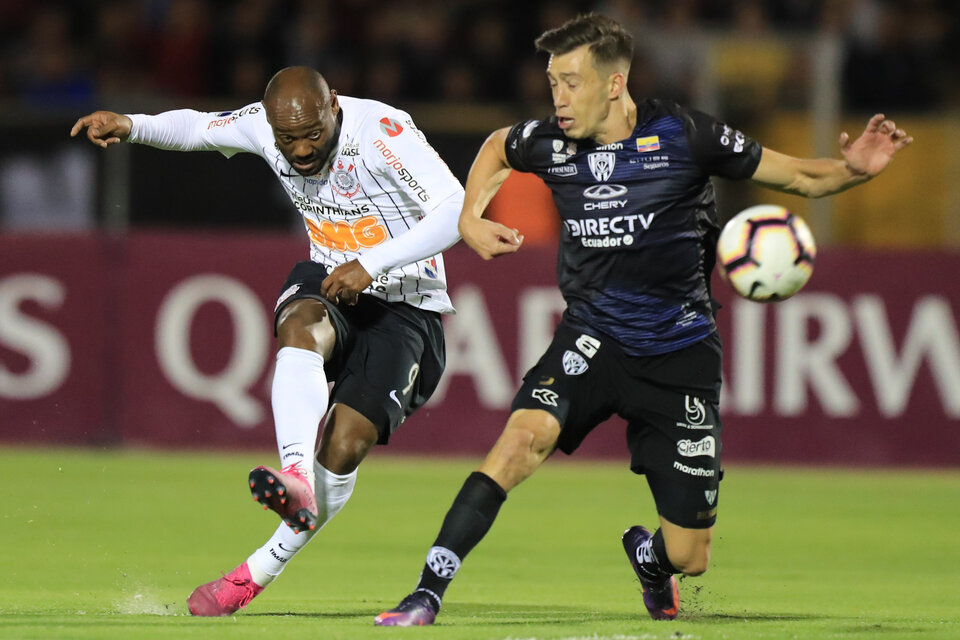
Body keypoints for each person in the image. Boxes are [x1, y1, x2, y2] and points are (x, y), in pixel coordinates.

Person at [375, 14, 912, 626]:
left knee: (691, 554)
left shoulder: (685, 136)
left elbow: (797, 176)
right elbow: (498, 144)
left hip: (679, 354)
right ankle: (426, 591)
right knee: (521, 442)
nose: (558, 97)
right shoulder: (549, 143)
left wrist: (854, 170)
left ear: (614, 83)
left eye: (571, 82)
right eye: (552, 82)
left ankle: (651, 558)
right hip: (592, 337)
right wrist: (471, 215)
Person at [71, 66, 464, 616]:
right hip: (330, 283)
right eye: (288, 140)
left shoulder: (382, 131)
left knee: (348, 443)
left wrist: (372, 263)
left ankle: (253, 573)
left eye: (312, 135)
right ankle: (296, 474)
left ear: (333, 103)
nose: (300, 151)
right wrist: (132, 124)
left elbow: (457, 211)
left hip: (408, 305)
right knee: (301, 322)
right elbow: (200, 128)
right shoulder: (264, 125)